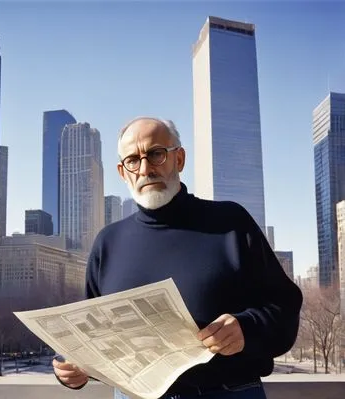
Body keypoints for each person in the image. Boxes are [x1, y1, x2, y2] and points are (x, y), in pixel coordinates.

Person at [52, 117, 303, 399]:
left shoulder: (231, 222)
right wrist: (73, 368)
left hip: (227, 393)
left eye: (156, 154)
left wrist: (247, 327)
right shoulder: (107, 243)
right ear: (123, 173)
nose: (145, 169)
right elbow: (92, 335)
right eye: (133, 160)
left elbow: (285, 308)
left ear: (179, 159)